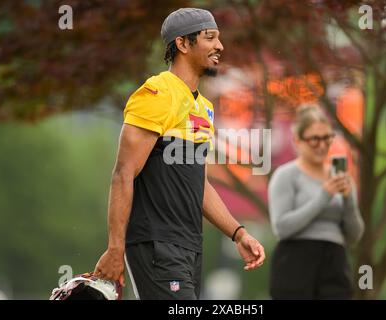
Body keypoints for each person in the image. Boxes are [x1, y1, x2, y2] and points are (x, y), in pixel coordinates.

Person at [93, 8, 265, 300]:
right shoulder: (157, 94)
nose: (220, 46)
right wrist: (115, 248)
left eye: (219, 38)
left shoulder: (204, 108)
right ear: (183, 44)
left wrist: (238, 233)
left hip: (190, 246)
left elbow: (199, 185)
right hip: (156, 245)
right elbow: (123, 173)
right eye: (210, 37)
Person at [268, 105, 364, 300]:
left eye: (327, 138)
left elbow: (354, 235)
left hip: (334, 262)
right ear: (298, 141)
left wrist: (348, 199)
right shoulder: (286, 176)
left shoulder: (342, 178)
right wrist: (323, 196)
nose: (322, 145)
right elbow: (281, 227)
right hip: (295, 262)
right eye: (314, 139)